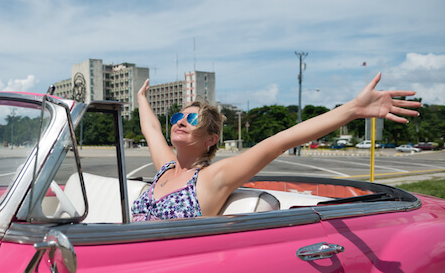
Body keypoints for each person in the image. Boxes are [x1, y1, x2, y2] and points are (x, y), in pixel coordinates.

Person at [131, 72, 421, 221]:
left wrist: (353, 109)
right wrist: (141, 98)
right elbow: (151, 129)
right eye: (178, 117)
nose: (180, 122)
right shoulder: (166, 168)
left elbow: (280, 141)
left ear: (211, 139)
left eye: (192, 118)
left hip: (165, 267)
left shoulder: (211, 179)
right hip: (125, 253)